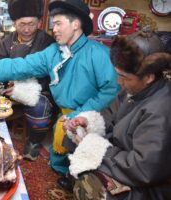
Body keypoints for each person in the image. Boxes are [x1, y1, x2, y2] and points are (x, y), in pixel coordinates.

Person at [0, 0, 120, 190]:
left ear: (76, 24)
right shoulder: (53, 52)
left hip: (93, 116)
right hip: (65, 115)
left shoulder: (99, 54)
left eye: (58, 23)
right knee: (60, 159)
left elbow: (112, 91)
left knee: (86, 163)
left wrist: (79, 115)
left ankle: (80, 176)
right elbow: (19, 66)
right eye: (53, 24)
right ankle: (68, 173)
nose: (53, 29)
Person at [63, 31, 171, 200]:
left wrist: (96, 149)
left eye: (124, 77)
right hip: (119, 156)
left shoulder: (161, 110)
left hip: (143, 185)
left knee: (89, 188)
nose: (119, 82)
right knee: (72, 137)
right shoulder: (134, 88)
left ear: (149, 77)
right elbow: (109, 114)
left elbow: (142, 169)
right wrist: (87, 123)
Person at [0, 0, 56, 161]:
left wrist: (24, 88)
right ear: (14, 23)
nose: (26, 29)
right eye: (22, 24)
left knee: (40, 107)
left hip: (39, 89)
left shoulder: (47, 42)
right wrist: (4, 84)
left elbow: (51, 74)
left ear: (39, 22)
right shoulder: (7, 41)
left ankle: (34, 141)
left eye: (31, 24)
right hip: (9, 88)